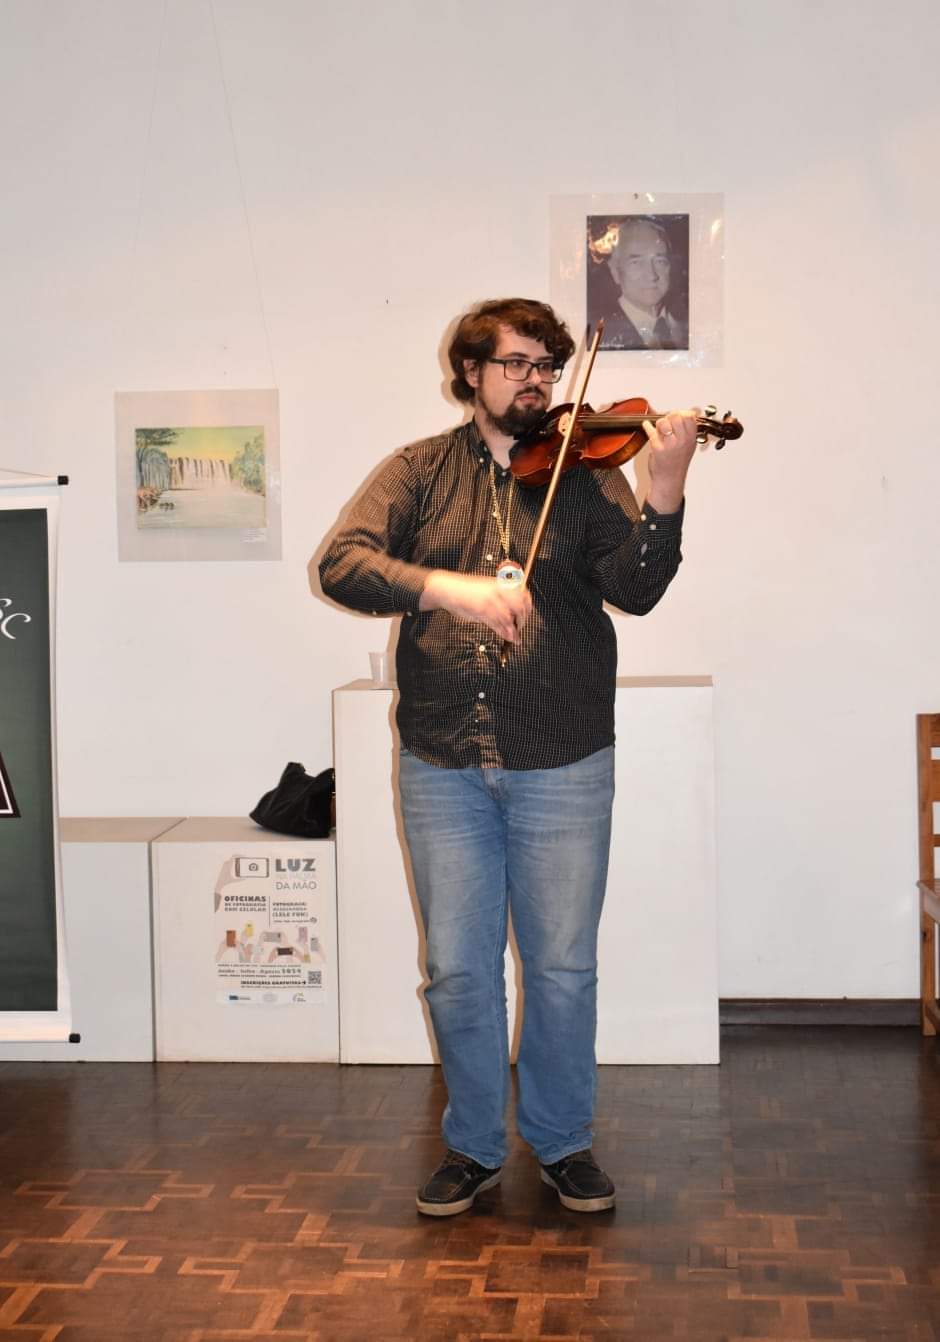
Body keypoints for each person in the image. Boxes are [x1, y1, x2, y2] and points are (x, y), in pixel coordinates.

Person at [319, 297, 697, 1217]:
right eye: (517, 364)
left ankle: (564, 1142)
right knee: (457, 970)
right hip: (442, 761)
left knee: (562, 967)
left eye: (547, 367)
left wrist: (666, 490)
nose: (537, 382)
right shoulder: (418, 471)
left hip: (562, 758)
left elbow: (637, 589)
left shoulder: (586, 474)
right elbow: (343, 564)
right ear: (472, 373)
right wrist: (443, 589)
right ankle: (474, 1146)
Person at [597, 217, 689, 351]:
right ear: (615, 271)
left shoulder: (688, 324)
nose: (652, 275)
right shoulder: (598, 333)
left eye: (660, 261)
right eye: (636, 263)